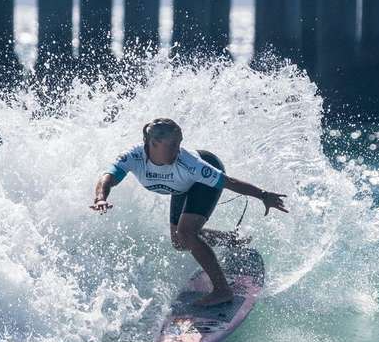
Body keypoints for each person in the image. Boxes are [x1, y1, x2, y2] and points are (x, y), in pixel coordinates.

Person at [91, 118, 288, 306]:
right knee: (179, 241)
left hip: (202, 181)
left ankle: (222, 290)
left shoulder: (190, 163)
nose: (178, 150)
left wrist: (263, 195)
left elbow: (229, 182)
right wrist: (100, 198)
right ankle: (229, 239)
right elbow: (107, 177)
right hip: (181, 186)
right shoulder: (134, 156)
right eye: (173, 145)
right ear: (154, 143)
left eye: (179, 144)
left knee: (187, 233)